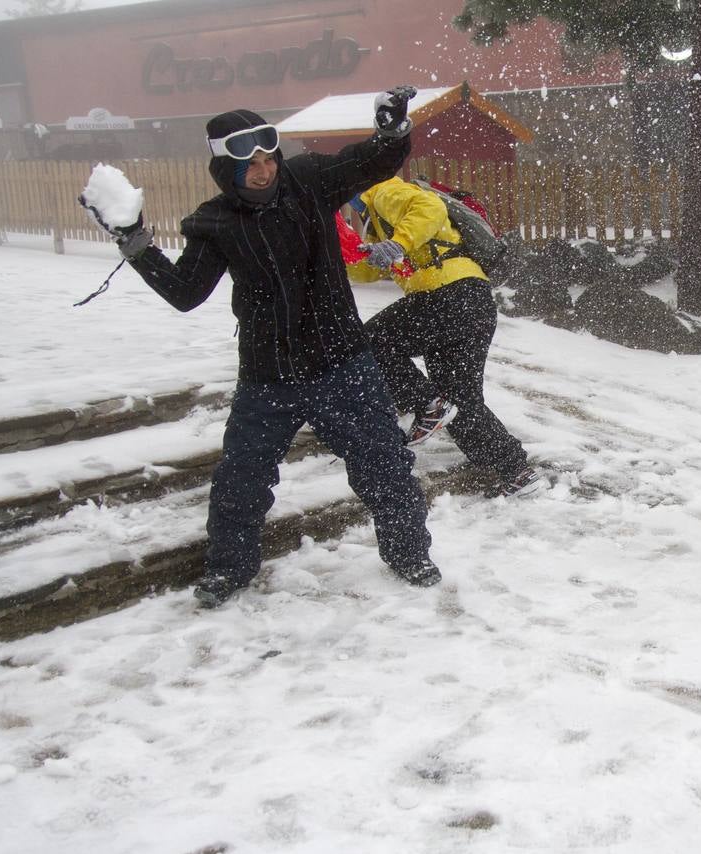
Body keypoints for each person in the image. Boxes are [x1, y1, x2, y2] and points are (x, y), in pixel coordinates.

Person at [82, 88, 444, 609]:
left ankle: (410, 554)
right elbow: (186, 293)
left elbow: (372, 161)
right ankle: (229, 569)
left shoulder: (309, 182)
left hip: (343, 363)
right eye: (248, 162)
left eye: (267, 157)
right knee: (241, 480)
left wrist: (391, 132)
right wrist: (134, 242)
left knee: (384, 465)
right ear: (224, 168)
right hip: (267, 376)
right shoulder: (214, 223)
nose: (263, 169)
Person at [346, 174, 540, 497]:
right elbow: (373, 268)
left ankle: (426, 404)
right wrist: (343, 262)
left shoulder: (382, 191)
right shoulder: (377, 222)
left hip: (447, 294)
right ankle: (517, 471)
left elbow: (430, 208)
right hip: (473, 303)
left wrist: (397, 243)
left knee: (367, 342)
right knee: (461, 403)